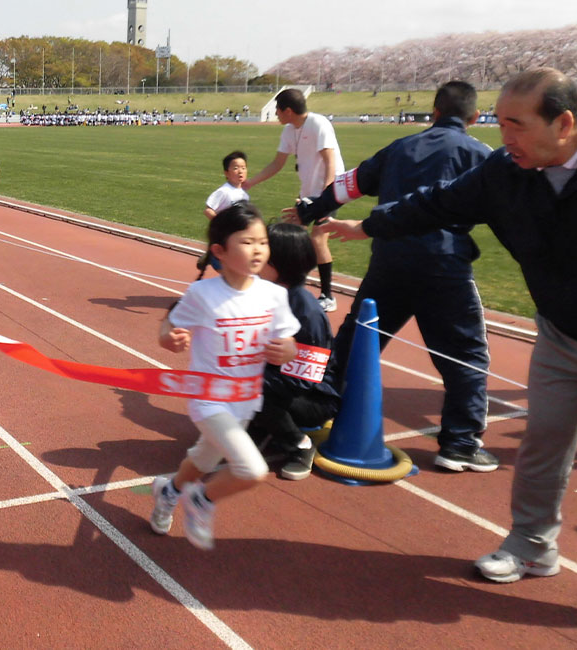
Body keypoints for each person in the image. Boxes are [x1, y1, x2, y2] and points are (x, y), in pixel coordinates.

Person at [320, 68, 577, 583]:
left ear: (563, 123)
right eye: (497, 121)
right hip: (560, 332)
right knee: (542, 444)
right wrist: (367, 226)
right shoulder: (502, 168)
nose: (502, 135)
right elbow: (438, 202)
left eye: (515, 124)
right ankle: (530, 543)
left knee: (382, 341)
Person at [285, 81, 497, 473]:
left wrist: (312, 210)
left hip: (389, 261)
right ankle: (460, 444)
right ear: (473, 117)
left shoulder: (400, 148)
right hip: (444, 266)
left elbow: (351, 183)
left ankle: (315, 411)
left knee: (356, 341)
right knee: (464, 355)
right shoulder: (480, 154)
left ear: (433, 112)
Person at [149, 203, 299, 550]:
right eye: (247, 242)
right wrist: (170, 339)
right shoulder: (203, 295)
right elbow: (169, 326)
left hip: (246, 401)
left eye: (262, 241)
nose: (258, 249)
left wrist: (286, 351)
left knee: (203, 459)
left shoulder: (274, 295)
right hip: (208, 400)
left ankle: (168, 492)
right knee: (251, 470)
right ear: (220, 251)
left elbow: (289, 340)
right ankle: (200, 502)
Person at [248, 223, 341, 480]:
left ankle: (299, 444)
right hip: (277, 379)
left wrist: (252, 379)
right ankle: (260, 426)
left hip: (313, 396)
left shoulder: (307, 312)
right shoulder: (263, 293)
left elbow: (304, 379)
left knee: (250, 390)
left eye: (263, 249)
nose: (254, 254)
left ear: (281, 263)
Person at [244, 88, 345, 312]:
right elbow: (277, 163)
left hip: (330, 192)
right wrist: (252, 182)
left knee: (318, 238)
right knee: (289, 233)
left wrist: (327, 198)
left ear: (288, 111)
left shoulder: (318, 124)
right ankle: (284, 286)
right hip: (308, 192)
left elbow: (330, 160)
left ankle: (328, 296)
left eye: (277, 111)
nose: (276, 115)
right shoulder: (289, 131)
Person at [196, 150, 249, 272]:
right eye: (236, 168)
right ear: (226, 173)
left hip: (236, 236)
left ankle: (211, 255)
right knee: (227, 273)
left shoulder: (244, 195)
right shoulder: (224, 191)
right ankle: (212, 256)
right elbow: (208, 210)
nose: (240, 171)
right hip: (223, 237)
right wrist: (222, 224)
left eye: (243, 168)